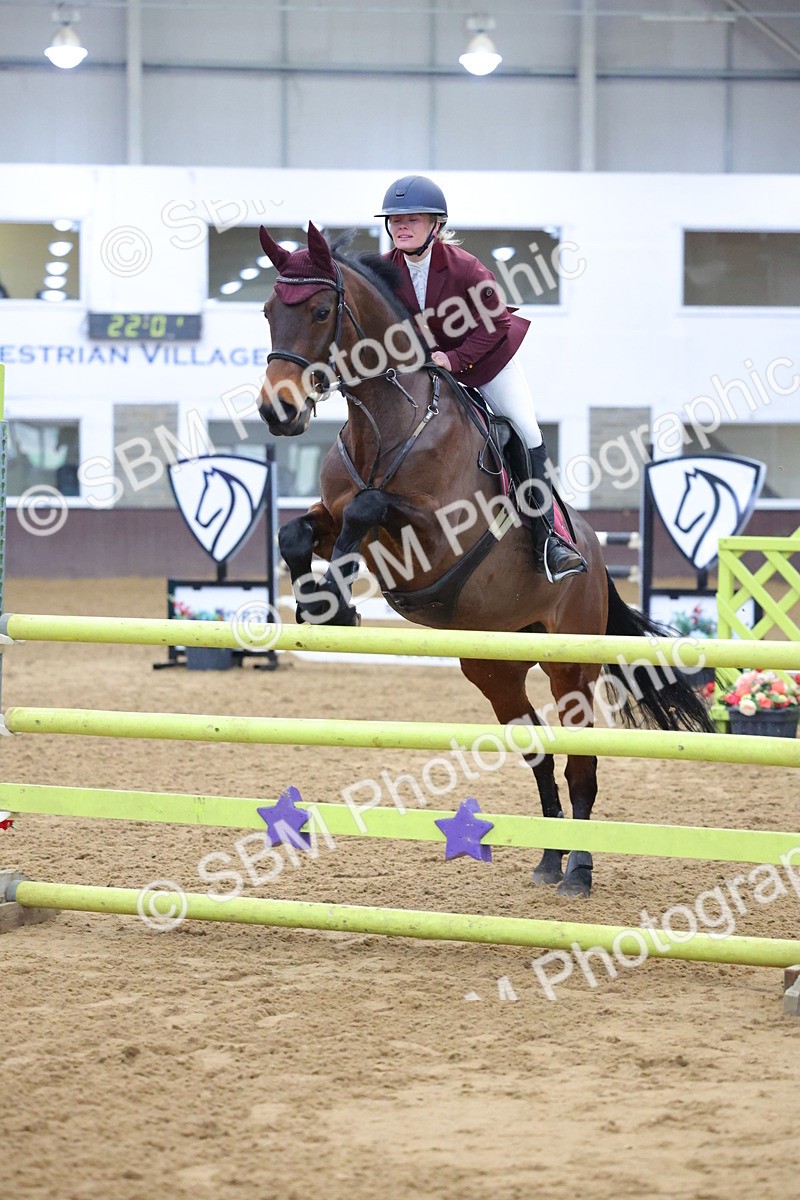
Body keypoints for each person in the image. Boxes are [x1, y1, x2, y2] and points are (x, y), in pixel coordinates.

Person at [376, 174, 587, 584]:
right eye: (395, 219)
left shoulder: (466, 268)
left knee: (527, 433)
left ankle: (552, 538)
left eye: (413, 219)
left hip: (485, 362)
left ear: (436, 225)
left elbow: (495, 325)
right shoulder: (383, 271)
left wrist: (453, 359)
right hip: (423, 372)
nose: (401, 226)